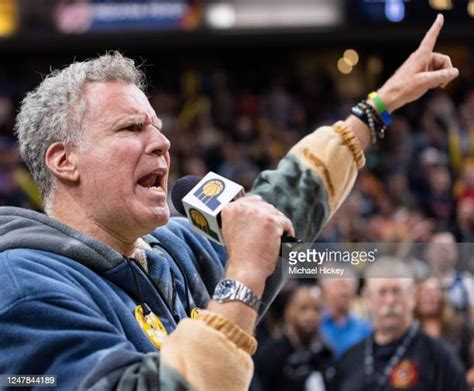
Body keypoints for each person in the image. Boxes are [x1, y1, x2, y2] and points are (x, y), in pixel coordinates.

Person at [0, 15, 459, 390]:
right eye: (130, 128)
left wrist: (378, 108)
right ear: (64, 161)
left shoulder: (169, 256)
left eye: (158, 127)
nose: (162, 142)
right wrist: (242, 279)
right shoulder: (22, 285)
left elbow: (279, 205)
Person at [327, 259, 470, 391]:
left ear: (412, 297)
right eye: (382, 293)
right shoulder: (349, 360)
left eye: (397, 292)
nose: (390, 301)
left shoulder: (439, 357)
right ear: (367, 298)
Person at [254, 284, 332, 391]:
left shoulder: (325, 353)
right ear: (288, 311)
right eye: (303, 308)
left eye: (317, 310)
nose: (311, 316)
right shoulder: (270, 354)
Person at [415, 276, 474, 384]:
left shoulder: (460, 326)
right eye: (424, 293)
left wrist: (461, 383)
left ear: (442, 296)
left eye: (433, 293)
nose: (429, 298)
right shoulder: (410, 332)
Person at [319, 273, 372, 358]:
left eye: (347, 286)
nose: (344, 292)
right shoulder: (317, 323)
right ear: (326, 291)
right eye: (339, 286)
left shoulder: (364, 328)